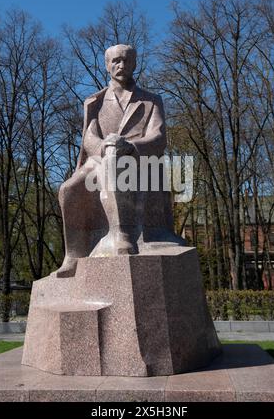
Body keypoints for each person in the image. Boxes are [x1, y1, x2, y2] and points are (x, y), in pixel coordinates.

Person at [55, 44, 184, 278]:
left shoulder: (151, 100)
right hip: (100, 159)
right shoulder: (95, 102)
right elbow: (89, 137)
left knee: (116, 162)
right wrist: (104, 146)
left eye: (126, 60)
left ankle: (122, 233)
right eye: (115, 61)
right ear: (106, 65)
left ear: (134, 64)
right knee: (68, 189)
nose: (121, 65)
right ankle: (73, 255)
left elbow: (159, 137)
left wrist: (132, 147)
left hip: (139, 161)